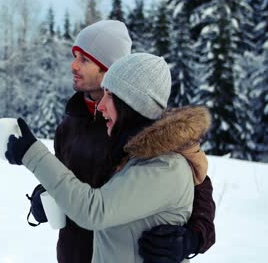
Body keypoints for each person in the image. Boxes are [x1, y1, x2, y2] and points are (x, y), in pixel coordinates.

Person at [25, 20, 215, 263]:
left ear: (109, 70)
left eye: (84, 60)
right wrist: (45, 195)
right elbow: (65, 179)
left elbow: (197, 185)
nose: (73, 66)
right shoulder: (70, 124)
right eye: (74, 56)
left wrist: (194, 237)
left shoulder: (147, 136)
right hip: (74, 254)